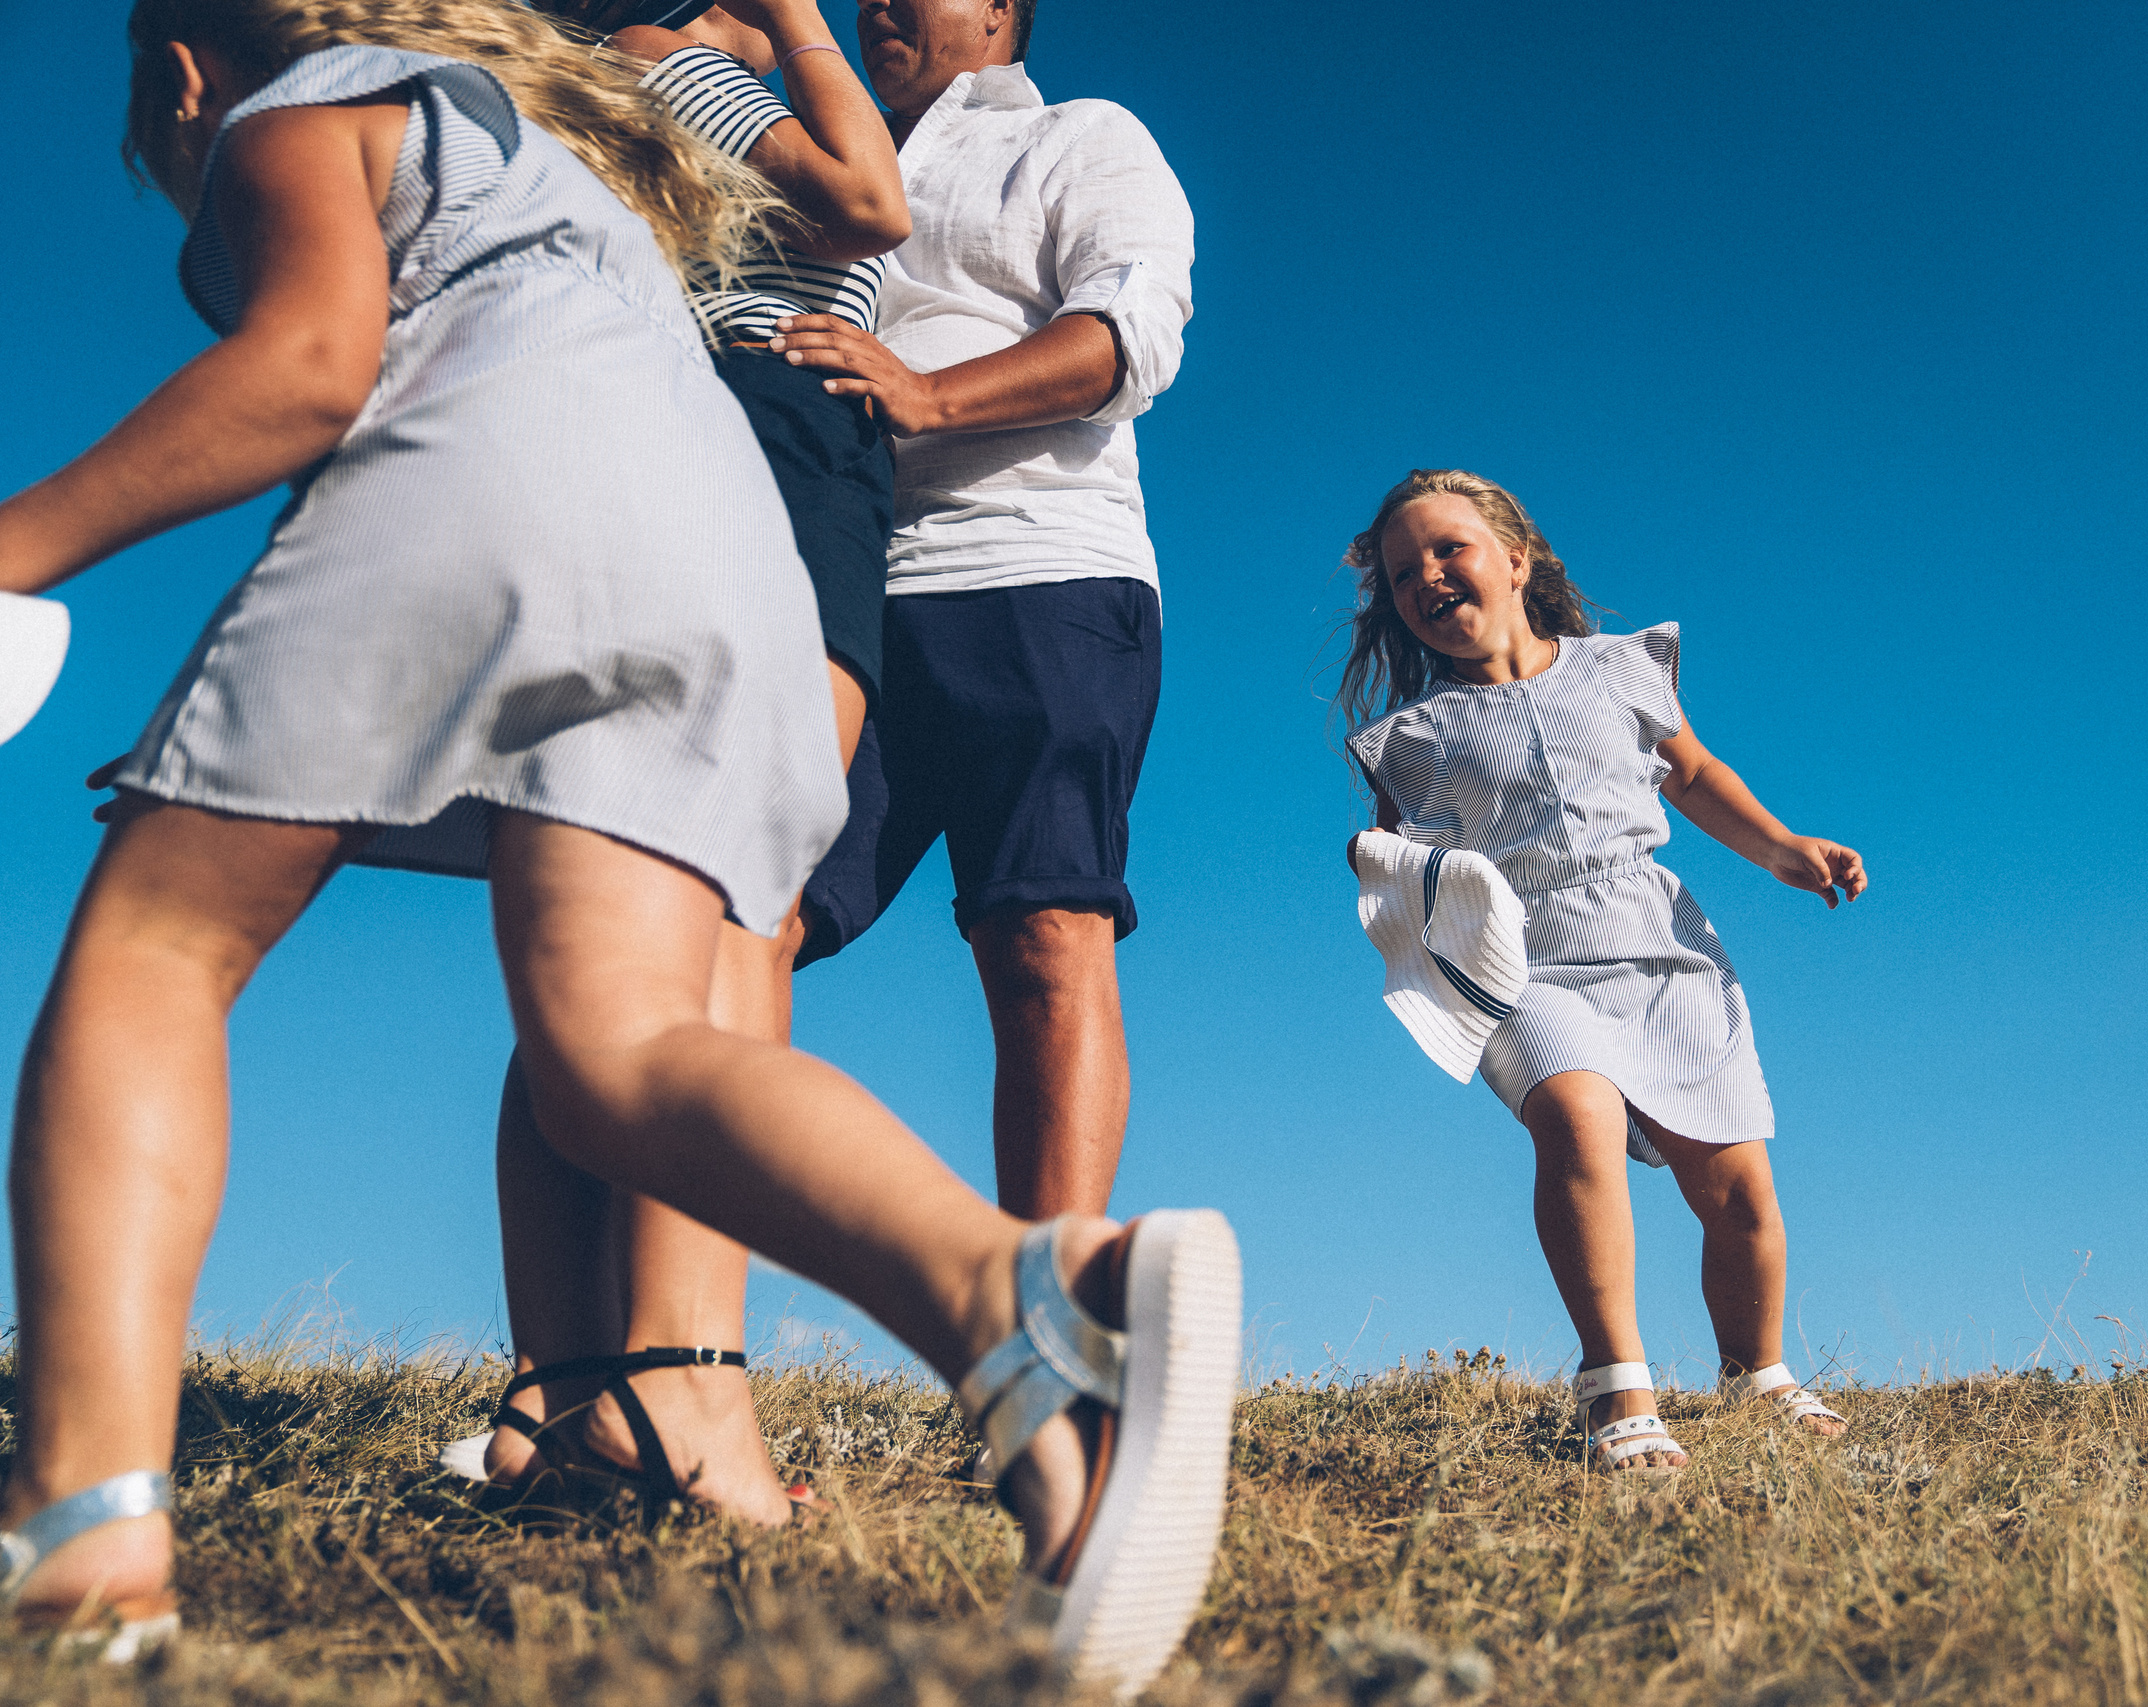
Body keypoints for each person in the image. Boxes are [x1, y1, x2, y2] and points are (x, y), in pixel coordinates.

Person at [0, 7, 1238, 1693]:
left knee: (158, 944)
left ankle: (87, 1528)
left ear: (186, 61)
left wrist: (17, 548)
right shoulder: (579, 139)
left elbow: (305, 367)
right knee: (623, 1044)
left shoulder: (298, 106)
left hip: (520, 464)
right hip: (729, 545)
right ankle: (1023, 1296)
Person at [471, 0, 914, 1528]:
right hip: (779, 442)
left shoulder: (577, 85)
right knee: (740, 906)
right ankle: (682, 1386)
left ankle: (559, 1387)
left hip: (636, 444)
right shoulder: (700, 66)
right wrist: (790, 22)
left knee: (601, 929)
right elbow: (869, 201)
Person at [758, 0, 1194, 1221]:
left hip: (1036, 570)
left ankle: (1046, 1333)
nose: (881, 2)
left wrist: (928, 395)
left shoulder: (1079, 135)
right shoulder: (805, 154)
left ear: (1001, 11)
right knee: (739, 926)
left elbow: (1132, 331)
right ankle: (635, 1345)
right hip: (832, 596)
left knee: (1043, 935)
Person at [1336, 469, 1865, 1476]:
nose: (1428, 578)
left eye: (1449, 550)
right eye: (1404, 574)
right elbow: (1394, 858)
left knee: (1737, 1191)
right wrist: (1385, 873)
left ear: (1517, 560)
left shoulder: (1622, 669)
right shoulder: (1410, 739)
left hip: (1658, 941)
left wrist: (1785, 848)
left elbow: (1695, 776)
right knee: (1574, 1115)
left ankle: (1757, 1376)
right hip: (1523, 960)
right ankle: (1615, 1385)